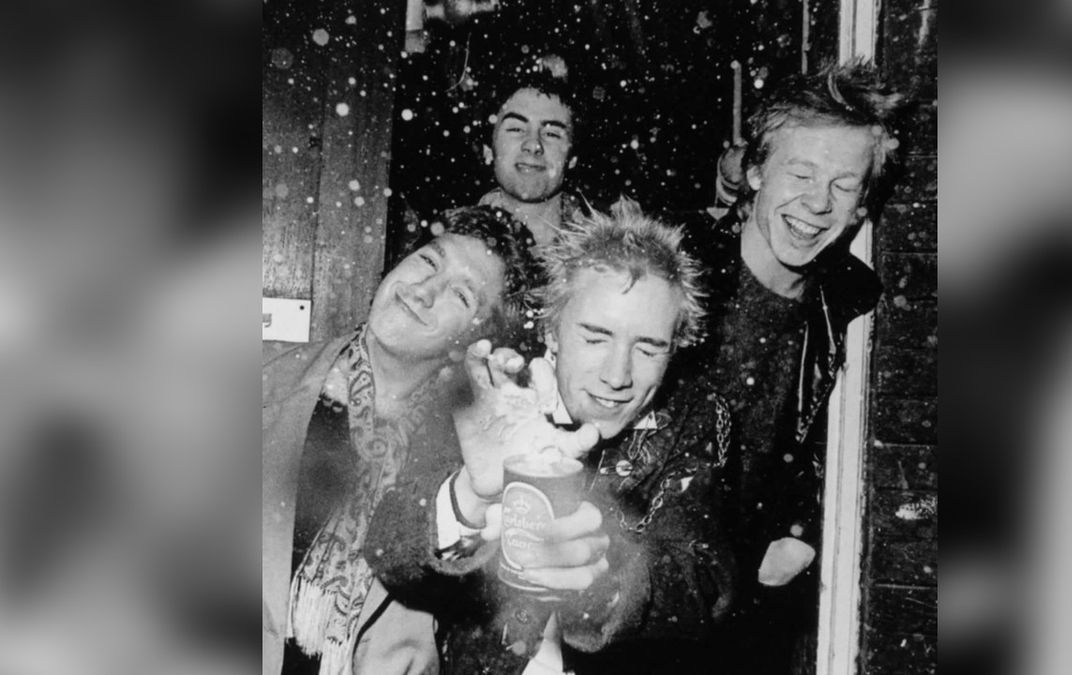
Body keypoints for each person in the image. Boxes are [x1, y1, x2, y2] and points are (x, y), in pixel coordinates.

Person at [363, 200, 736, 674]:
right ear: (552, 331)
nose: (617, 375)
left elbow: (704, 581)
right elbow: (391, 550)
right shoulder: (496, 387)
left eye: (648, 348)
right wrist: (471, 494)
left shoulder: (696, 415)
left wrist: (598, 575)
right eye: (595, 338)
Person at [677, 60, 905, 673]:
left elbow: (825, 450)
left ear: (862, 206)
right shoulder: (673, 272)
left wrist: (801, 530)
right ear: (755, 171)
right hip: (630, 606)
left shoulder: (851, 303)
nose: (817, 203)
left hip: (738, 627)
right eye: (800, 173)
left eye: (843, 185)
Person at [262, 206, 542, 675]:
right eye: (429, 261)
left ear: (475, 341)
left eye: (461, 294)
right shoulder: (259, 378)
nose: (424, 290)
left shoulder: (471, 465)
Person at [475, 65, 587, 246]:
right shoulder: (455, 245)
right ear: (488, 150)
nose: (533, 145)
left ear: (572, 158)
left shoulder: (616, 248)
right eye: (516, 129)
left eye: (551, 134)